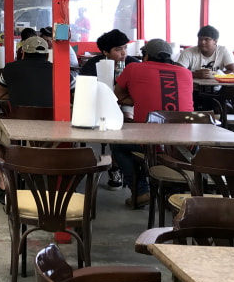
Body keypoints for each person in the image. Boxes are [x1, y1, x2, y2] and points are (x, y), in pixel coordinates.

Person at [112, 38, 194, 207]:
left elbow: (117, 94)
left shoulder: (134, 68)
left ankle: (141, 191)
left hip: (151, 146)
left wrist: (137, 99)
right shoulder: (186, 73)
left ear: (146, 55)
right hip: (186, 148)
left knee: (118, 145)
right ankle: (174, 190)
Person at [0, 36, 53, 203]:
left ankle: (4, 183)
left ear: (22, 54)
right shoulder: (60, 70)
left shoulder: (10, 69)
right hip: (54, 138)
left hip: (18, 137)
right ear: (47, 55)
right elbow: (72, 96)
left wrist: (17, 91)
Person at [78, 28, 140, 189]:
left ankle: (119, 165)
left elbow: (138, 94)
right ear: (105, 52)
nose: (124, 53)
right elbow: (86, 90)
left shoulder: (133, 64)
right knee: (112, 123)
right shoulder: (93, 65)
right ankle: (115, 166)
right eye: (118, 49)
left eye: (125, 47)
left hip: (127, 105)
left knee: (127, 122)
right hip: (100, 105)